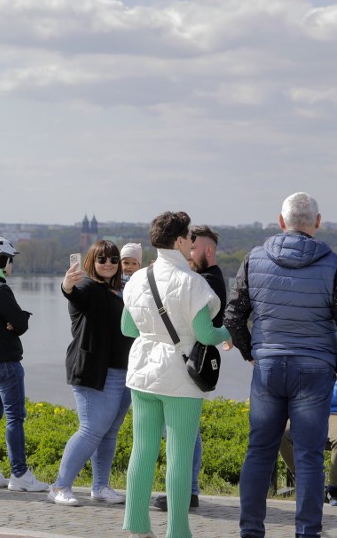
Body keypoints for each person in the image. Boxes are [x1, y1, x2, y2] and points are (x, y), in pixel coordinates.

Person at [224, 192, 337, 538]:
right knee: (309, 456)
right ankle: (307, 532)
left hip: (268, 367)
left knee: (259, 452)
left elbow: (233, 315)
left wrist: (250, 352)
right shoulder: (333, 264)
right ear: (317, 223)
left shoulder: (253, 259)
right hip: (315, 369)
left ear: (280, 220)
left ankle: (251, 531)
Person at [121, 211, 230, 538]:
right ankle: (178, 531)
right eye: (189, 238)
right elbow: (206, 334)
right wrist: (228, 333)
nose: (192, 243)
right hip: (179, 377)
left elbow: (127, 327)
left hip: (142, 371)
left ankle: (137, 527)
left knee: (142, 449)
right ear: (180, 240)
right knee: (179, 456)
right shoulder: (193, 283)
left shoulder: (138, 278)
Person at [48, 240, 133, 507]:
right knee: (91, 429)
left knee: (110, 431)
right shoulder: (87, 287)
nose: (108, 264)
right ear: (91, 263)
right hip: (94, 371)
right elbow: (73, 294)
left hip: (124, 370)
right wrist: (67, 284)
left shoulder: (123, 290)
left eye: (113, 259)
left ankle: (101, 487)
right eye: (101, 259)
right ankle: (60, 486)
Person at [152, 224, 226, 512]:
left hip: (191, 362)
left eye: (193, 248)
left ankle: (186, 491)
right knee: (186, 431)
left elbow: (205, 327)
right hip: (190, 361)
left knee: (182, 433)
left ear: (208, 250)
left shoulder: (206, 281)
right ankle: (187, 489)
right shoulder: (202, 277)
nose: (188, 253)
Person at [0, 237, 47, 493]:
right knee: (15, 416)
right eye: (11, 260)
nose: (12, 265)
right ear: (5, 262)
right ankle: (20, 474)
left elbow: (10, 322)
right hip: (5, 361)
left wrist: (15, 320)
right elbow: (21, 325)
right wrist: (20, 318)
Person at [278, 379, 337, 505]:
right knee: (282, 433)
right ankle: (302, 478)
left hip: (334, 414)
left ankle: (333, 488)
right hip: (311, 412)